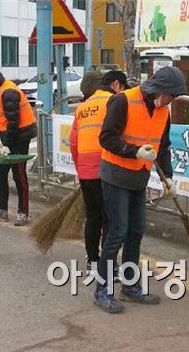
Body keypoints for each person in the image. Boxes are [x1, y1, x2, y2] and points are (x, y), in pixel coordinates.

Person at [94, 66, 186, 314]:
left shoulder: (162, 112)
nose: (171, 101)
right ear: (159, 89)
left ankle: (130, 285)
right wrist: (133, 151)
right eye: (171, 95)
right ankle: (102, 290)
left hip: (139, 178)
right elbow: (106, 137)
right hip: (115, 175)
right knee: (117, 232)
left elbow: (163, 147)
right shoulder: (122, 101)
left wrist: (168, 177)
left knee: (136, 231)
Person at [70, 70, 128, 275]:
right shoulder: (115, 101)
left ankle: (92, 262)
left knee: (93, 217)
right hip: (107, 169)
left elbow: (73, 142)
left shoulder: (82, 107)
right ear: (116, 85)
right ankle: (108, 266)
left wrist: (81, 170)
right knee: (110, 219)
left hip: (86, 170)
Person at [0, 63, 37, 226]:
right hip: (10, 138)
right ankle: (2, 210)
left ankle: (23, 213)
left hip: (20, 137)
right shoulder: (0, 91)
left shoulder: (9, 92)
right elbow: (2, 114)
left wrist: (7, 145)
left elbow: (13, 122)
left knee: (19, 175)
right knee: (0, 172)